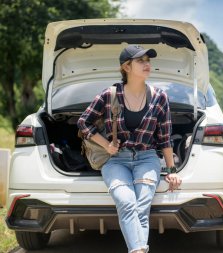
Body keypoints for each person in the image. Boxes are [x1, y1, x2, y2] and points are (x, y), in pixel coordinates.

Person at [77, 45, 182, 253]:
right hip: (116, 161)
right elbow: (83, 123)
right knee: (126, 203)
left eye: (148, 60)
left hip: (147, 158)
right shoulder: (109, 95)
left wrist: (171, 171)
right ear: (126, 66)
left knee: (141, 208)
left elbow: (165, 138)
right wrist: (106, 145)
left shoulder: (160, 97)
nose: (147, 64)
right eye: (141, 61)